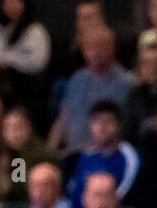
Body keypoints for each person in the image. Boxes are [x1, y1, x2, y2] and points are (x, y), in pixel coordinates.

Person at [48, 25, 131, 157]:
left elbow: (123, 128)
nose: (94, 52)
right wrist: (49, 152)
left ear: (112, 47)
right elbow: (62, 118)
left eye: (100, 46)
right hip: (72, 153)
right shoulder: (76, 79)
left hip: (106, 156)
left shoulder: (125, 83)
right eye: (89, 47)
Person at [64, 100, 140, 203]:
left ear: (119, 126)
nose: (102, 126)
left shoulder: (129, 157)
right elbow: (74, 193)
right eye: (96, 121)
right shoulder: (86, 156)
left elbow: (122, 195)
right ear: (90, 126)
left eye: (108, 121)